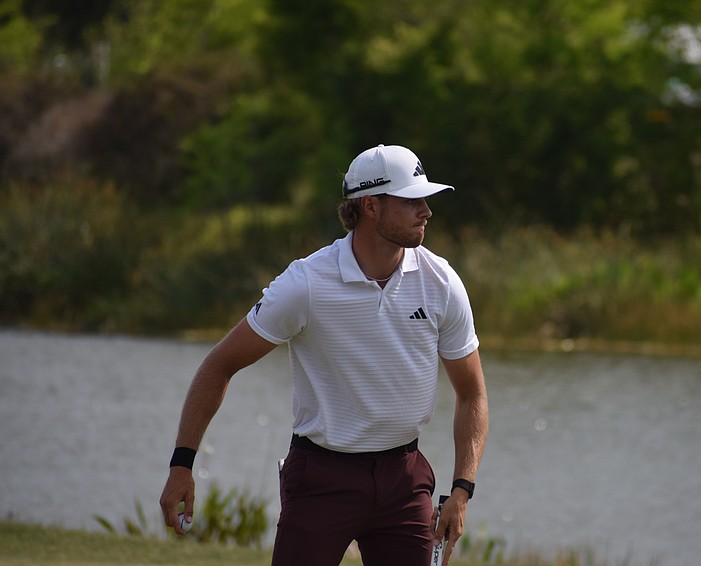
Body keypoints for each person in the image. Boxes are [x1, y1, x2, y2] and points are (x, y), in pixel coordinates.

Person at [159, 144, 489, 566]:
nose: (426, 211)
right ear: (370, 206)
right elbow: (219, 365)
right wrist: (182, 465)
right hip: (321, 479)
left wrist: (462, 488)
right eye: (412, 201)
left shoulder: (441, 282)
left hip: (405, 481)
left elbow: (472, 394)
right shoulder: (306, 284)